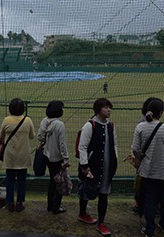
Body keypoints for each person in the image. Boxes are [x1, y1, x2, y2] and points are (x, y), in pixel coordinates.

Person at [131, 97, 164, 237]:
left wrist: (140, 158)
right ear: (161, 112)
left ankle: (149, 229)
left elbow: (135, 149)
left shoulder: (140, 127)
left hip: (148, 169)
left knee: (150, 199)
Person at [77, 98, 118, 236]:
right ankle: (82, 213)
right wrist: (85, 166)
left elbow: (115, 144)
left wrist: (115, 160)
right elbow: (82, 147)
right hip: (91, 166)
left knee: (104, 194)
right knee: (87, 190)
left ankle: (101, 223)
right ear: (98, 109)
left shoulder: (111, 126)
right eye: (106, 107)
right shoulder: (90, 125)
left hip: (107, 167)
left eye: (109, 107)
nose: (109, 110)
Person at [0, 98, 35, 212]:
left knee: (9, 180)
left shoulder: (6, 120)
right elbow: (32, 136)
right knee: (21, 180)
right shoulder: (28, 120)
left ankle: (10, 203)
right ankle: (20, 203)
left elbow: (1, 135)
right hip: (23, 155)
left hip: (10, 155)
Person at [37, 100, 69, 215]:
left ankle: (50, 205)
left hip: (46, 155)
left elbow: (39, 136)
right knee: (59, 182)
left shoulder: (44, 121)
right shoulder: (60, 125)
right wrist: (66, 158)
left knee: (52, 181)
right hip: (57, 158)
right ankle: (56, 206)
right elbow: (62, 144)